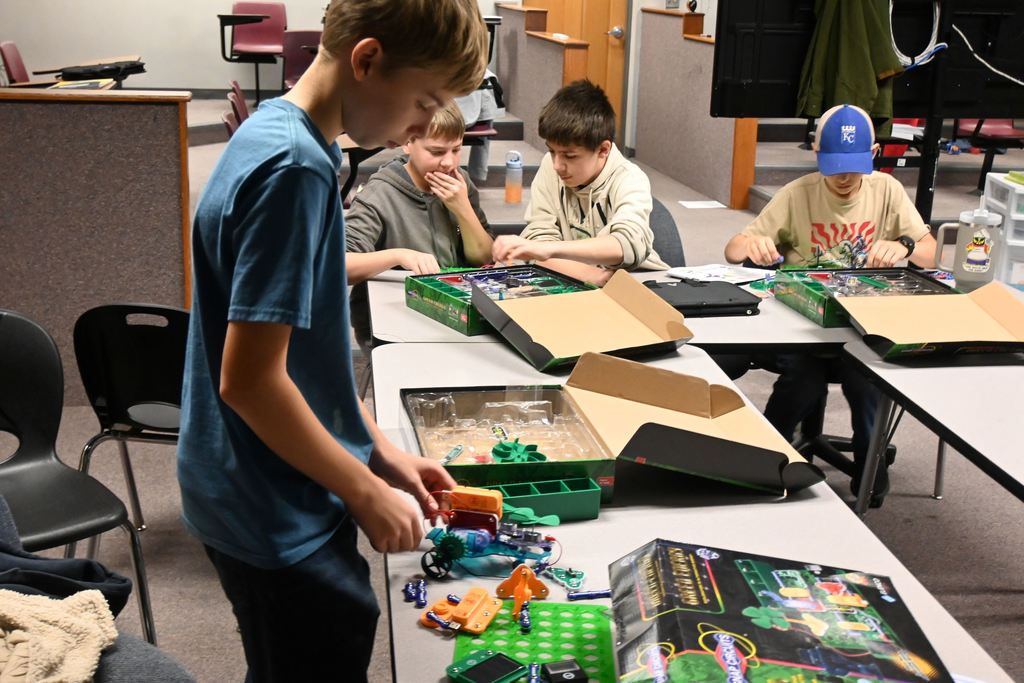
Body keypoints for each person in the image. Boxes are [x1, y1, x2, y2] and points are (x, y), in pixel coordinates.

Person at [176, 0, 488, 680]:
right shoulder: (295, 170)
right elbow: (250, 381)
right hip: (269, 500)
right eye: (425, 101)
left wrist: (381, 452)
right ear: (367, 60)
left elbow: (307, 360)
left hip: (259, 478)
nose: (424, 125)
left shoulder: (277, 131)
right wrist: (364, 491)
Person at [724, 103, 937, 507]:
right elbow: (733, 250)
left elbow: (930, 253)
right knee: (802, 380)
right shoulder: (797, 194)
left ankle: (871, 463)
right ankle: (768, 454)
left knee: (866, 381)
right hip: (804, 326)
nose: (844, 178)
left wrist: (905, 245)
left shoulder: (886, 191)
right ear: (816, 152)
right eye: (834, 166)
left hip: (861, 325)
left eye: (854, 167)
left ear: (873, 154)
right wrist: (752, 244)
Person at [492, 80, 668, 285]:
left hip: (638, 281)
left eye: (570, 156)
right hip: (582, 279)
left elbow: (626, 245)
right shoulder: (550, 165)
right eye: (552, 151)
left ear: (603, 150)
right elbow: (538, 243)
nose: (557, 165)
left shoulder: (629, 178)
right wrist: (593, 276)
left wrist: (547, 249)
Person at [345, 100, 493, 284]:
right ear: (407, 142)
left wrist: (463, 209)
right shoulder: (379, 194)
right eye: (437, 152)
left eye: (456, 150)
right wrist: (398, 256)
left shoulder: (459, 182)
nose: (449, 162)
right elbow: (340, 266)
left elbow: (484, 258)